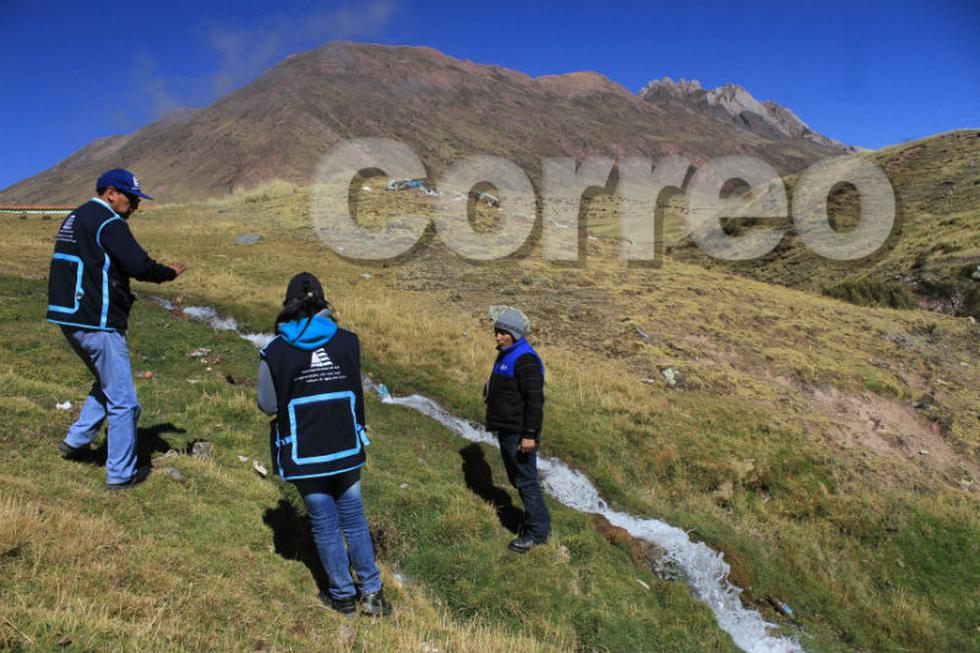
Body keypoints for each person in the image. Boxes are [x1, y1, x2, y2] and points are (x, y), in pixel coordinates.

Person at [256, 272, 392, 617]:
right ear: (323, 302)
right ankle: (373, 594)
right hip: (346, 446)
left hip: (304, 451)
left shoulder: (275, 350)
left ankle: (342, 596)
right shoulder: (348, 341)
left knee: (324, 522)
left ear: (288, 305)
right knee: (354, 518)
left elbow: (268, 404)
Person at [47, 169, 186, 489]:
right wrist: (169, 273)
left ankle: (76, 442)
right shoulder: (108, 222)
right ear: (111, 192)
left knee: (106, 381)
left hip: (70, 316)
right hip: (97, 320)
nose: (135, 205)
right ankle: (121, 474)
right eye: (131, 197)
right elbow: (138, 265)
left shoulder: (75, 217)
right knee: (124, 402)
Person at [484, 307, 551, 553]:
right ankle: (535, 522)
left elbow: (534, 401)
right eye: (497, 332)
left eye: (503, 333)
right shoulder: (507, 354)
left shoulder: (526, 359)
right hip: (508, 429)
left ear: (515, 333)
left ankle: (538, 533)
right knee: (520, 479)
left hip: (519, 433)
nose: (498, 337)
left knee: (526, 481)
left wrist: (529, 435)